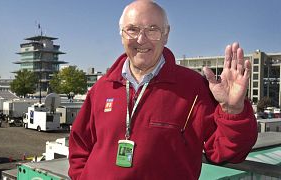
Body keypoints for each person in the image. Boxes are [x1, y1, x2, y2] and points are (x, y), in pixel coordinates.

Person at [68, 1, 258, 179]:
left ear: (166, 35)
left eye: (153, 30)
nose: (141, 39)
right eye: (132, 30)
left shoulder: (194, 88)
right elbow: (79, 145)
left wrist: (233, 110)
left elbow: (224, 151)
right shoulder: (102, 88)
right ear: (121, 35)